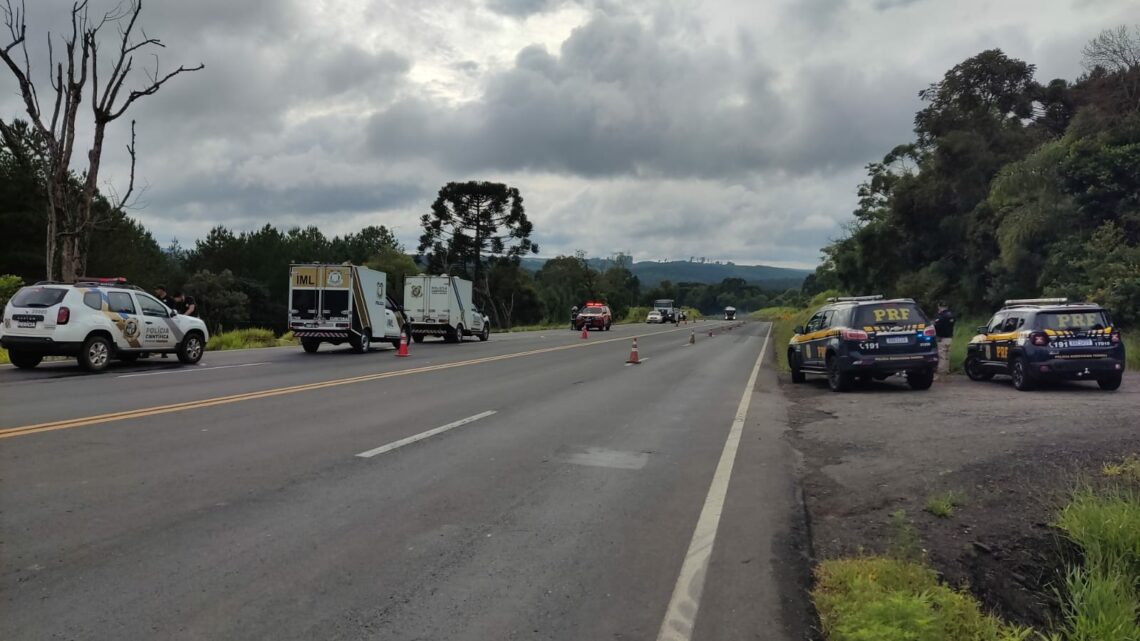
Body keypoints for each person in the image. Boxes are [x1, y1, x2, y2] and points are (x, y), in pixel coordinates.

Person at [933, 301, 956, 378]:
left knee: (941, 356)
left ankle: (941, 374)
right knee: (947, 356)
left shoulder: (941, 316)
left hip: (942, 338)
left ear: (939, 306)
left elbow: (936, 326)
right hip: (949, 338)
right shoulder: (951, 315)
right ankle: (946, 372)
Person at [154, 286, 177, 358]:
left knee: (164, 336)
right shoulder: (156, 299)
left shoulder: (170, 299)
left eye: (157, 290)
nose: (156, 292)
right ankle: (146, 353)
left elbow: (173, 309)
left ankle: (164, 352)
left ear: (161, 290)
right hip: (157, 319)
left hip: (166, 320)